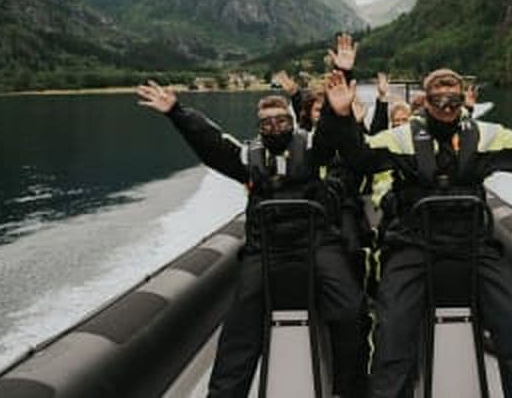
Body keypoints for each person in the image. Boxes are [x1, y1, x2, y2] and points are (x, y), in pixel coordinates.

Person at [321, 63, 512, 398]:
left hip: (474, 245)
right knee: (393, 335)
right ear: (425, 100)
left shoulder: (486, 135)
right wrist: (340, 117)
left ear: (459, 99)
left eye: (451, 91)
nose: (445, 97)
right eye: (438, 91)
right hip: (413, 245)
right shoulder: (401, 138)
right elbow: (360, 157)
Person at [136, 83, 368, 397]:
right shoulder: (248, 156)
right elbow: (211, 143)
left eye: (281, 120)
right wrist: (177, 113)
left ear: (291, 120)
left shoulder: (313, 148)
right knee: (239, 329)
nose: (275, 127)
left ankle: (349, 389)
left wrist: (337, 112)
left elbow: (330, 135)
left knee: (350, 309)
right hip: (265, 248)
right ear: (259, 127)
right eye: (267, 123)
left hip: (317, 241)